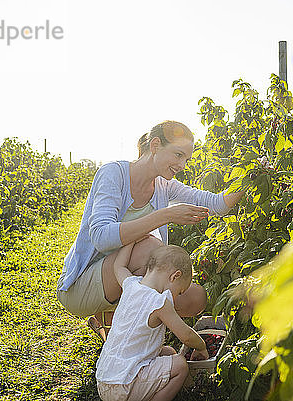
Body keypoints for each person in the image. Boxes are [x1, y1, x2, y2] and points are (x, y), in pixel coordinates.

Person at [57, 120, 244, 340]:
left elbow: (216, 204)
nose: (182, 165)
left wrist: (249, 176)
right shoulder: (113, 174)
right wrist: (164, 216)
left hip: (123, 274)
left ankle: (110, 323)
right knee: (150, 249)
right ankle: (114, 325)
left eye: (186, 158)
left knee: (195, 298)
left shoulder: (164, 185)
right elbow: (100, 236)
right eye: (177, 155)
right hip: (81, 287)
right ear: (155, 145)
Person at [95, 242, 208, 401]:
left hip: (104, 379)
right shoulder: (160, 302)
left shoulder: (130, 284)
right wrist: (201, 346)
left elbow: (118, 267)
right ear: (174, 276)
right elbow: (187, 336)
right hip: (125, 385)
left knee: (168, 352)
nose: (176, 297)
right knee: (180, 366)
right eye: (180, 291)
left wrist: (131, 241)